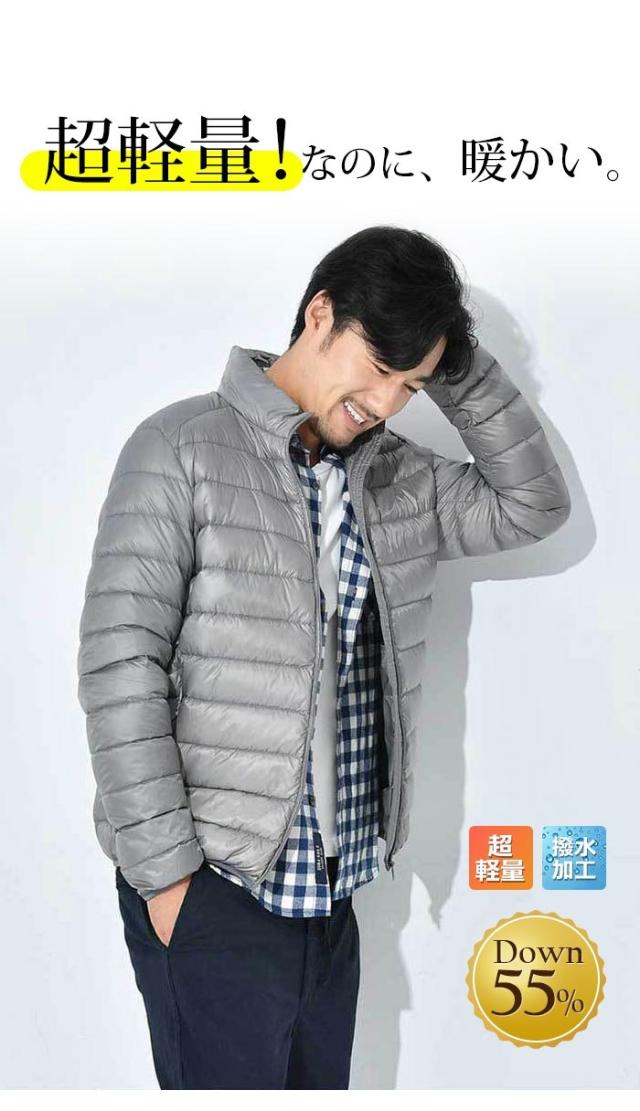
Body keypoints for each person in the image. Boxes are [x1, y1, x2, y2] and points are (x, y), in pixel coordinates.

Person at [76, 225, 571, 1089]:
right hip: (217, 890)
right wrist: (169, 883)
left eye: (410, 383)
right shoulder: (181, 448)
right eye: (378, 366)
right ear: (319, 315)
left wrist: (451, 357)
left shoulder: (399, 480)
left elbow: (534, 503)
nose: (384, 401)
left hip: (333, 900)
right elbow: (121, 664)